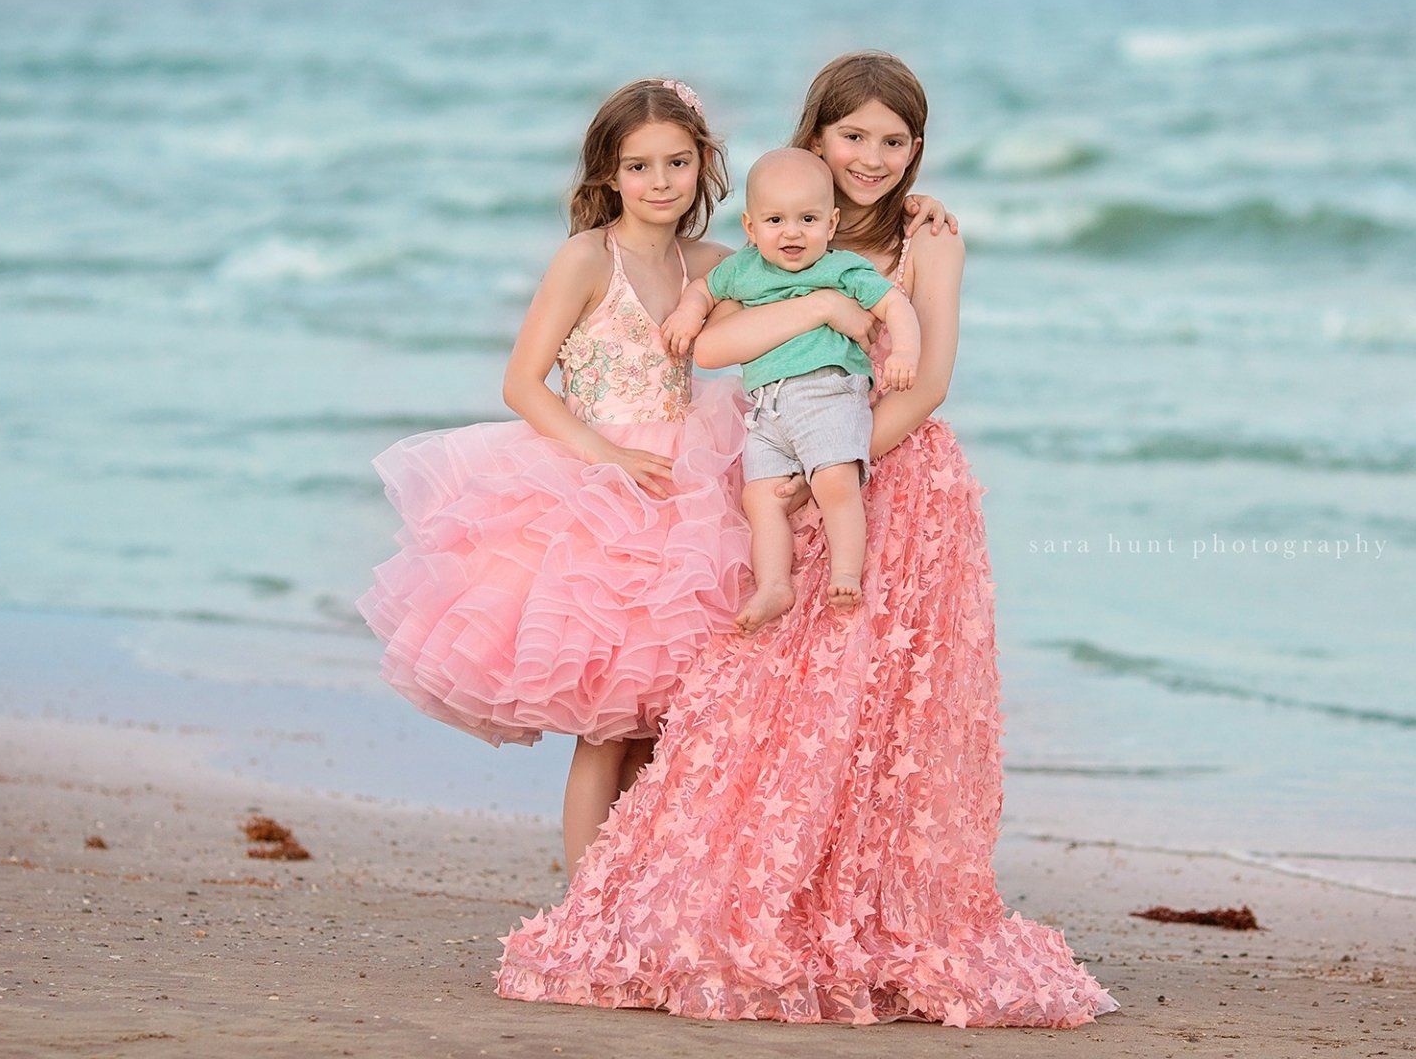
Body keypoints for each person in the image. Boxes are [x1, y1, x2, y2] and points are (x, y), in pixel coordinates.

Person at [496, 52, 1118, 1027]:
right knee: (768, 710)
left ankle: (858, 903)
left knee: (870, 716)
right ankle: (709, 891)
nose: (871, 158)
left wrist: (831, 472)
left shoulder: (928, 239)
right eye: (852, 136)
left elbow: (927, 380)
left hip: (890, 490)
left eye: (894, 140)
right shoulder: (775, 236)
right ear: (814, 140)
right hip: (779, 481)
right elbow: (708, 342)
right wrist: (779, 478)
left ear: (917, 151)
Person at [355, 77, 753, 871]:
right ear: (608, 173)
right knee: (606, 725)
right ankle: (586, 903)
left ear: (703, 164)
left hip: (687, 495)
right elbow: (523, 383)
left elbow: (807, 260)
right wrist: (603, 454)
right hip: (599, 486)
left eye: (677, 163)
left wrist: (912, 223)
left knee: (659, 721)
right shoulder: (584, 259)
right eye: (639, 166)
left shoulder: (713, 263)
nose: (661, 182)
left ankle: (634, 892)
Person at [661, 147, 920, 635]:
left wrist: (905, 351)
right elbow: (703, 288)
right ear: (750, 227)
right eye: (776, 220)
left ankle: (846, 572)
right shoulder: (744, 268)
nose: (793, 232)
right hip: (767, 409)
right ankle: (775, 585)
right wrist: (686, 313)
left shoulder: (840, 268)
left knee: (834, 482)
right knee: (760, 500)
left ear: (832, 221)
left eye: (808, 218)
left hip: (827, 393)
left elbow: (895, 305)